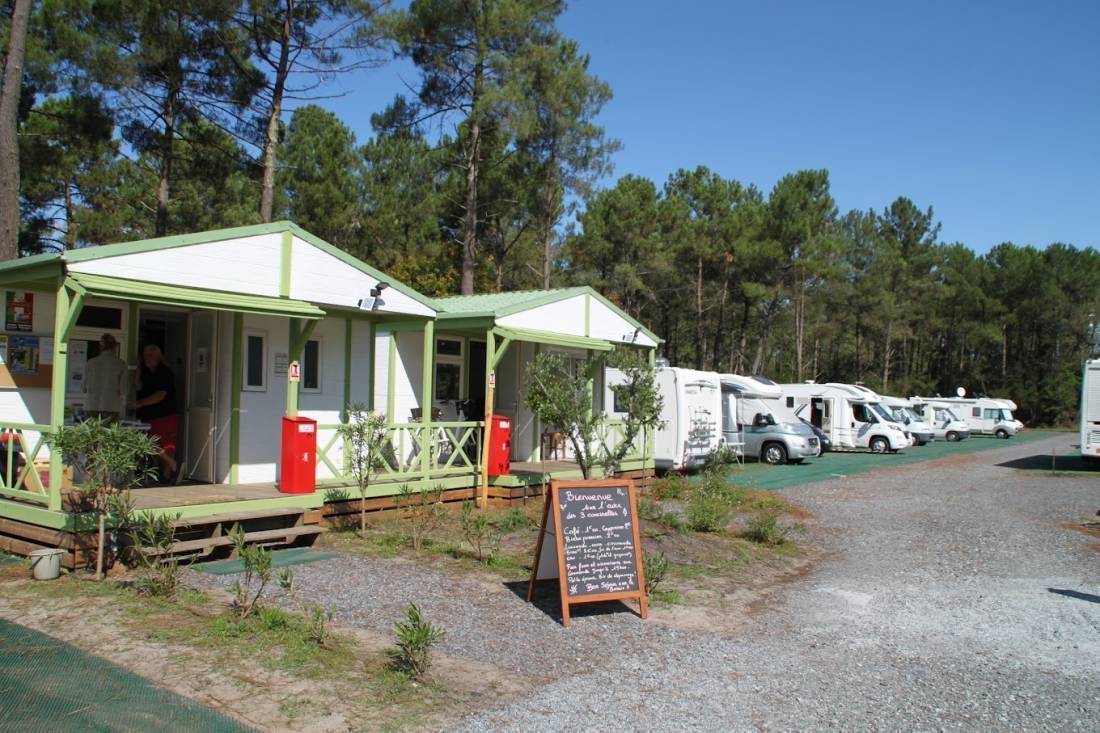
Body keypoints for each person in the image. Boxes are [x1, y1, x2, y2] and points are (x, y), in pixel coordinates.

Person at [130, 344, 179, 482]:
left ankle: (167, 474)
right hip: (147, 415)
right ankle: (165, 467)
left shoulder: (165, 372)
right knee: (148, 443)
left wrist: (140, 403)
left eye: (151, 356)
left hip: (165, 414)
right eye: (146, 355)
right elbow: (137, 386)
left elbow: (160, 395)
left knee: (167, 444)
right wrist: (138, 368)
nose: (148, 358)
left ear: (158, 357)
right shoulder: (145, 371)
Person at [82, 334, 128, 420]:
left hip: (91, 406)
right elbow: (123, 390)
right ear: (115, 346)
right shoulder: (121, 364)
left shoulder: (90, 363)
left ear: (100, 347)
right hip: (111, 407)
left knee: (92, 433)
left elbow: (83, 388)